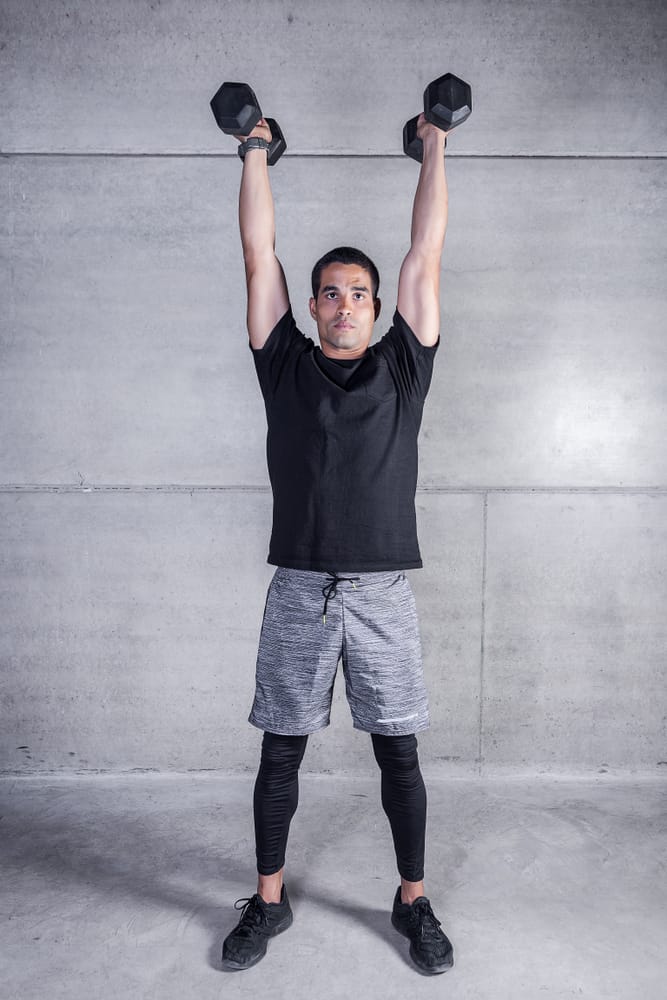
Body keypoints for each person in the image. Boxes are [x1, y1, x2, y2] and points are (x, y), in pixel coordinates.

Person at [221, 108, 453, 976]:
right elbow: (257, 255)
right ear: (312, 305)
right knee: (280, 748)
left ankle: (412, 900)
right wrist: (254, 151)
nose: (346, 303)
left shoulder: (404, 365)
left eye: (359, 292)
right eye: (331, 291)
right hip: (299, 591)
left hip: (383, 592)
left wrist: (433, 144)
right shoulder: (281, 360)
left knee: (399, 752)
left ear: (377, 307)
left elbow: (423, 254)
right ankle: (268, 902)